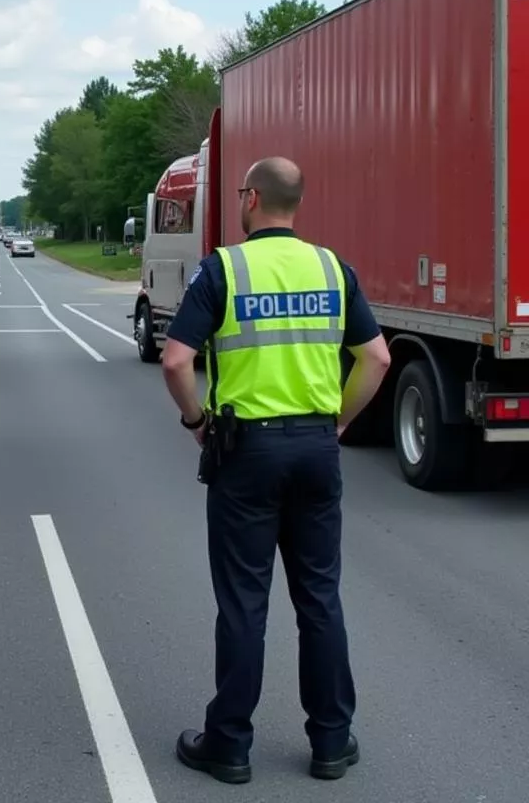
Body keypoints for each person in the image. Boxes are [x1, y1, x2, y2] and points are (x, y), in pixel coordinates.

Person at [161, 156, 390, 786]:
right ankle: (332, 742)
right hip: (316, 449)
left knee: (244, 602)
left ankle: (229, 745)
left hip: (247, 454)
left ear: (253, 199)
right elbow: (375, 358)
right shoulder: (332, 268)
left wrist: (196, 421)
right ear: (298, 204)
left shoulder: (224, 270)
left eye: (242, 193)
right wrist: (336, 422)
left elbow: (176, 361)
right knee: (319, 598)